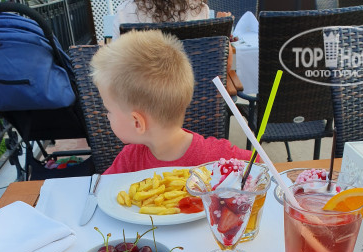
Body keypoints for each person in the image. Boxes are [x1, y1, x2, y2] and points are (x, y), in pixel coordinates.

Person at [90, 30, 252, 175]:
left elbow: (260, 164)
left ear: (137, 122)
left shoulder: (218, 156)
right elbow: (102, 191)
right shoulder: (129, 160)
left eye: (108, 110)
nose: (107, 116)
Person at [112, 0, 210, 40]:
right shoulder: (200, 9)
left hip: (140, 78)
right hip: (189, 77)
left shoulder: (124, 12)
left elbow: (114, 65)